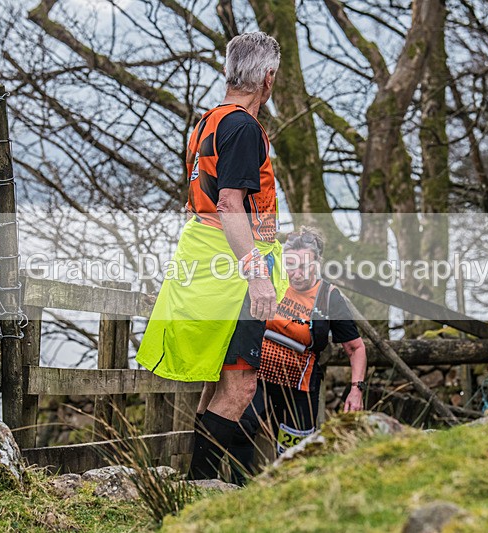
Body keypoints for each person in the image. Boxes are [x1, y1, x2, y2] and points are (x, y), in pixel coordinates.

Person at [135, 32, 287, 480]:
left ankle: (196, 486)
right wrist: (258, 275)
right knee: (241, 386)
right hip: (232, 266)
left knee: (218, 379)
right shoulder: (242, 127)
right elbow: (230, 204)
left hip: (205, 256)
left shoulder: (208, 122)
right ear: (268, 78)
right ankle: (201, 486)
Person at [228, 227, 367, 484]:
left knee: (296, 450)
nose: (298, 273)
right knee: (242, 427)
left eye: (305, 266)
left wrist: (356, 389)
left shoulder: (328, 296)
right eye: (291, 265)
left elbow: (355, 347)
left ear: (317, 263)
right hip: (258, 371)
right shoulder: (269, 281)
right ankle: (237, 490)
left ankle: (292, 495)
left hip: (300, 382)